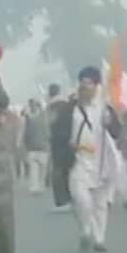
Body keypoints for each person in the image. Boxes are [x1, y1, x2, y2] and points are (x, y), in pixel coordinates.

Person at [51, 65, 123, 253]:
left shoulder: (105, 109)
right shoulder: (69, 109)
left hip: (101, 160)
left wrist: (110, 123)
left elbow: (117, 132)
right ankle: (86, 228)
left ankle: (99, 238)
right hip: (78, 160)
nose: (85, 87)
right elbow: (58, 134)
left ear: (97, 86)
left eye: (89, 84)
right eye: (82, 84)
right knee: (81, 199)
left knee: (100, 202)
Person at [46, 83, 74, 213]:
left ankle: (62, 201)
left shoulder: (53, 107)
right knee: (68, 170)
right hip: (70, 141)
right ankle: (71, 197)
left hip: (58, 141)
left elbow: (51, 123)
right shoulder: (68, 105)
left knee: (58, 171)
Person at [23, 99, 51, 194]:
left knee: (34, 170)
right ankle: (40, 186)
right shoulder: (45, 118)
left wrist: (25, 145)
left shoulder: (28, 119)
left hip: (32, 147)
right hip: (43, 147)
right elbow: (48, 133)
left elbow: (25, 134)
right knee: (42, 170)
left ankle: (34, 187)